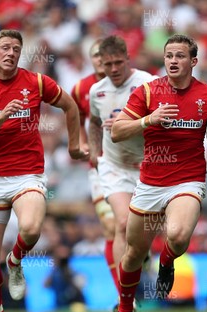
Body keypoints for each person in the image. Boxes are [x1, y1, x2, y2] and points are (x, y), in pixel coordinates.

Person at [110, 34, 207, 312]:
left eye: (180, 56)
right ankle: (124, 311)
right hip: (150, 183)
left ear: (193, 61)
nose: (173, 61)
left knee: (177, 235)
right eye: (169, 55)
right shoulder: (148, 93)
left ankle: (166, 263)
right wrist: (149, 120)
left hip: (188, 180)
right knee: (134, 252)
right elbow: (118, 131)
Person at [0, 29, 86, 312]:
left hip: (27, 174)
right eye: (4, 48)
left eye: (16, 49)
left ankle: (16, 261)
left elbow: (70, 106)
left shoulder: (36, 82)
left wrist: (73, 145)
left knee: (31, 229)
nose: (10, 53)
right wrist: (3, 115)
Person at [87, 35, 156, 301]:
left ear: (128, 59)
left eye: (118, 62)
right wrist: (94, 150)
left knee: (140, 229)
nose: (113, 69)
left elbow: (164, 121)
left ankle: (142, 254)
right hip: (115, 166)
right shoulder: (98, 91)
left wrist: (132, 121)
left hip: (148, 166)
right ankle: (123, 297)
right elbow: (94, 122)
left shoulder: (148, 83)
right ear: (101, 64)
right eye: (107, 64)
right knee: (123, 222)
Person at [70, 40, 120, 294]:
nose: (100, 59)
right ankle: (123, 293)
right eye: (95, 56)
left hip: (128, 162)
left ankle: (141, 259)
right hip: (99, 166)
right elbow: (77, 120)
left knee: (131, 226)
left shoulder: (128, 83)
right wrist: (81, 143)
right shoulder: (81, 89)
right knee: (111, 227)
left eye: (104, 55)